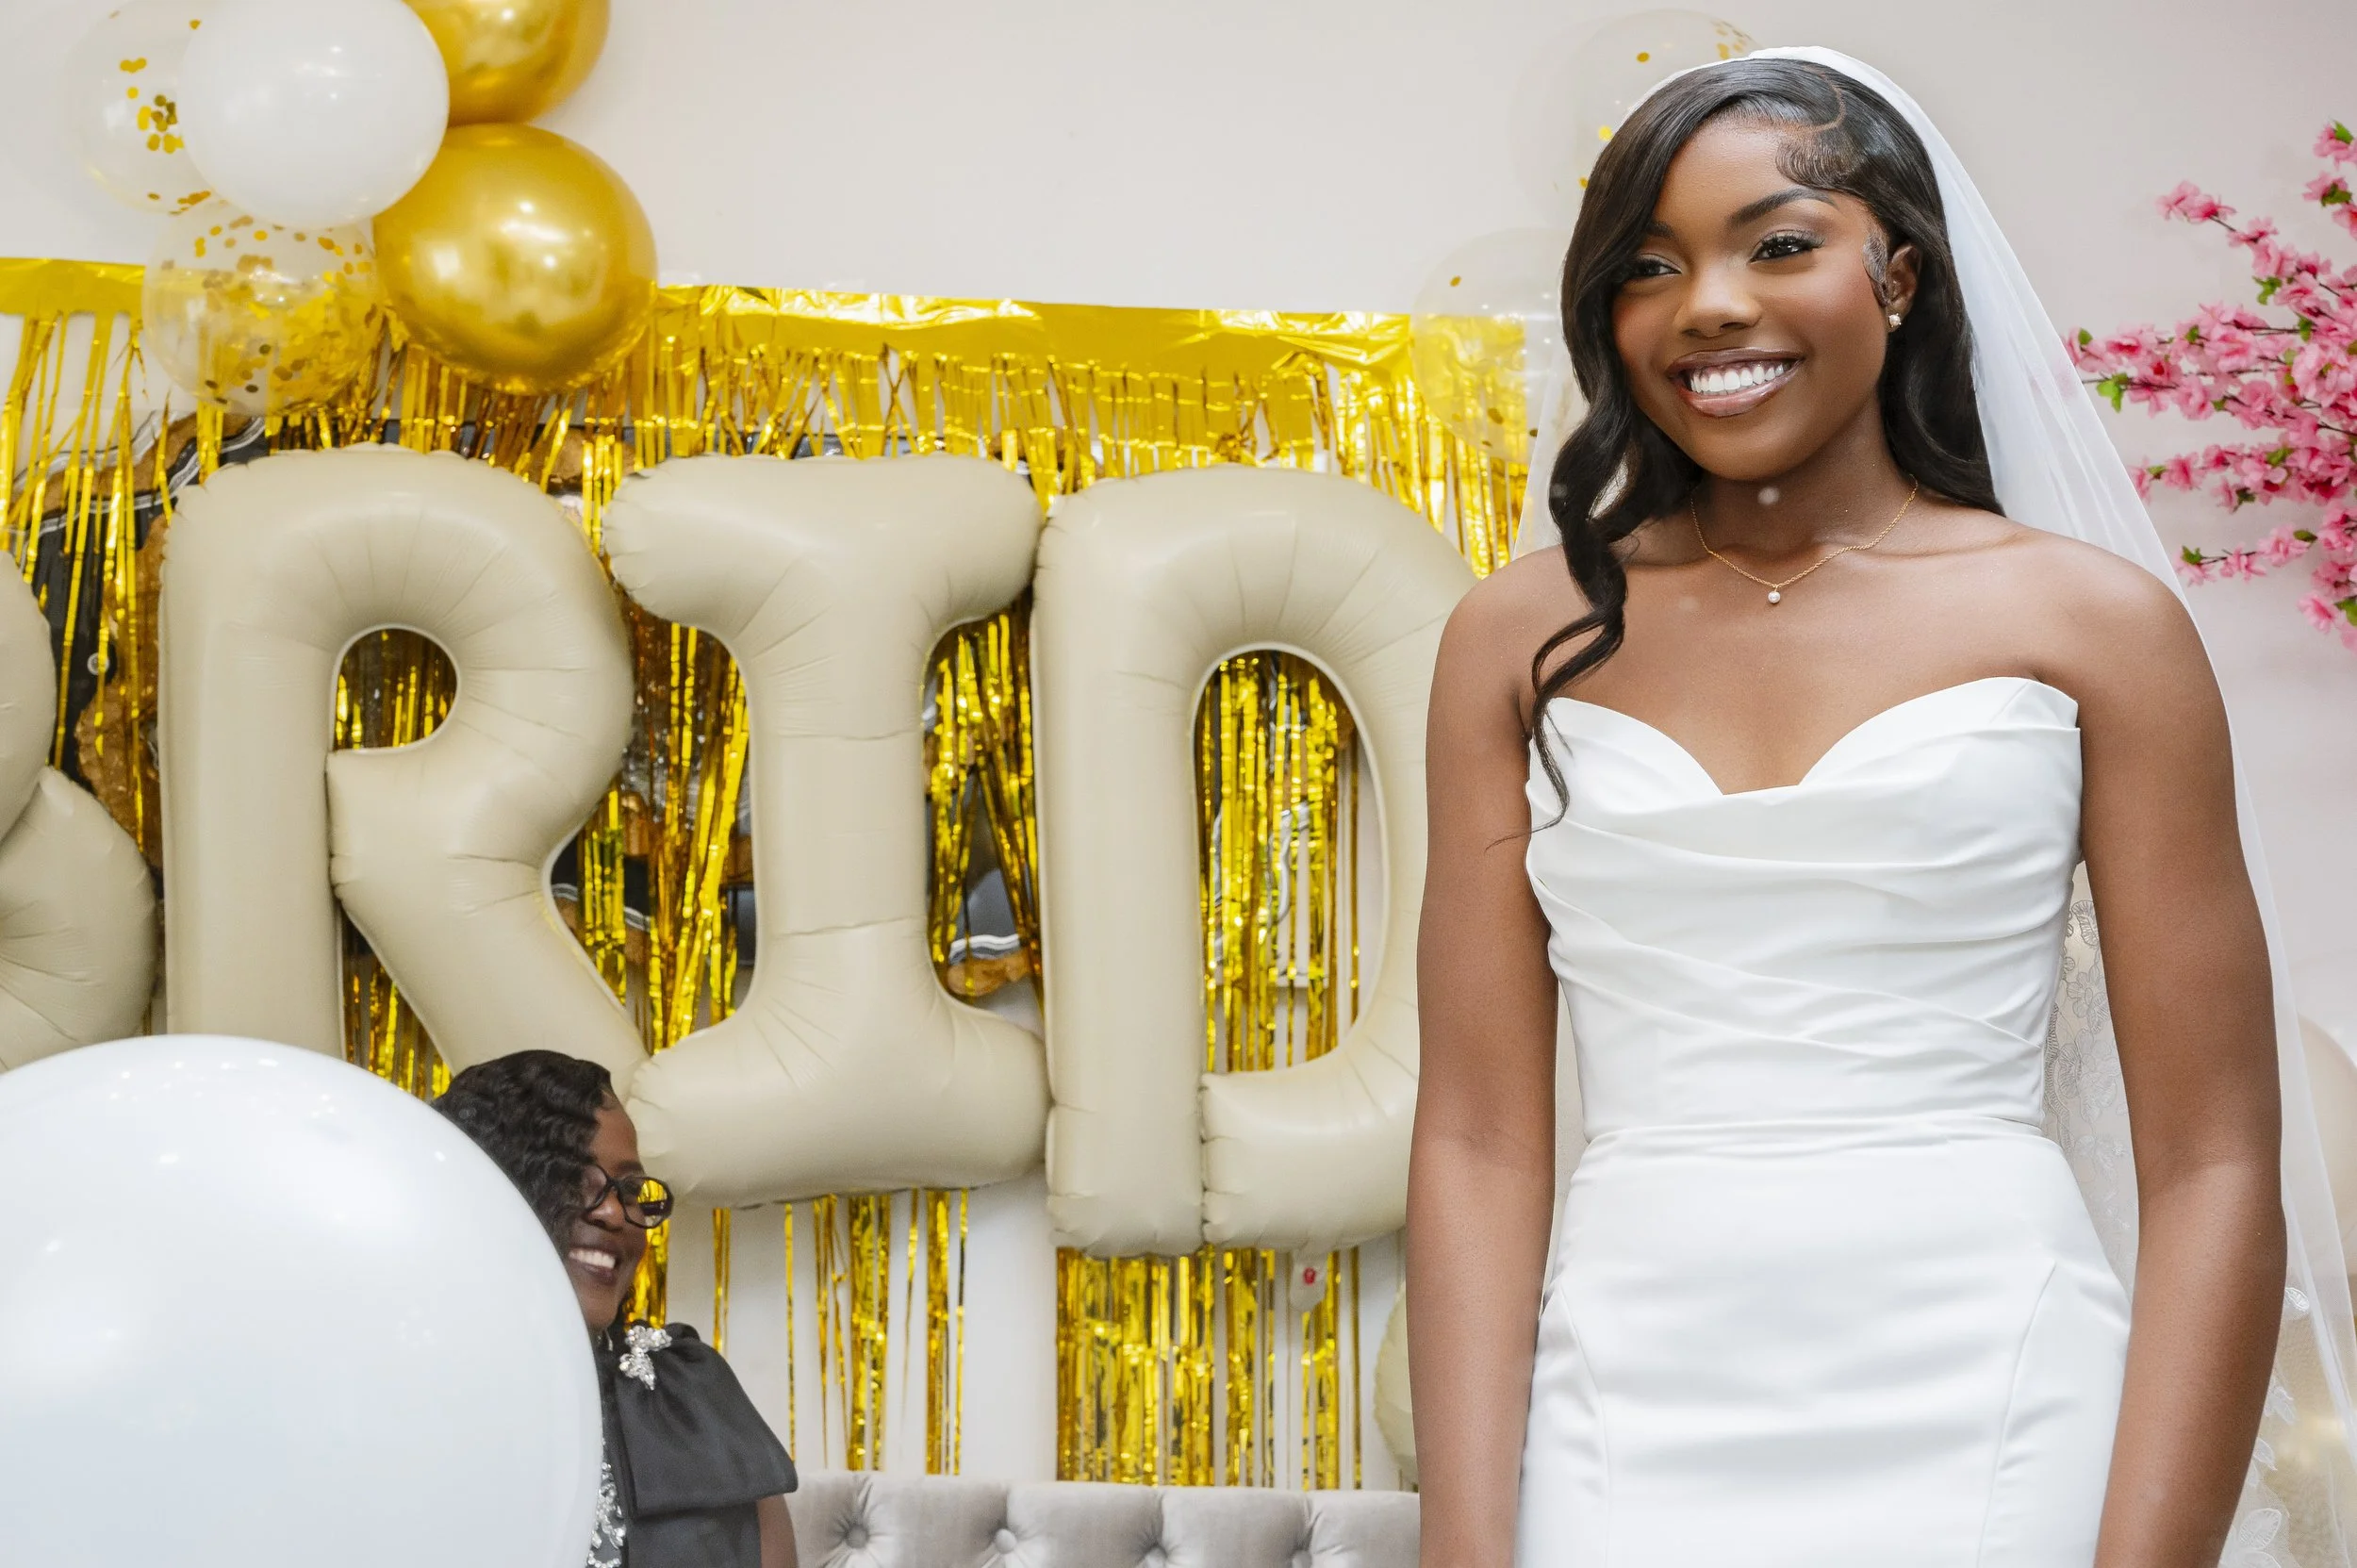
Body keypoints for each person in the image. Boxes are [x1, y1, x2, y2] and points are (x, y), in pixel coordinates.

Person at [1408, 48, 2357, 1568]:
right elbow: (1474, 1141)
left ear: (1901, 273)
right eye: (1650, 266)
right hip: (1626, 1405)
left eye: (1778, 242)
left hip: (1997, 1389)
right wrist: (1467, 1547)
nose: (1709, 303)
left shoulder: (2094, 622)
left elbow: (2216, 1162)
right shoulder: (1515, 638)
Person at [436, 1050, 799, 1568]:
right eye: (567, 1180)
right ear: (489, 1193)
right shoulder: (412, 1400)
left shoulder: (688, 1396)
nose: (611, 1211)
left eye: (628, 1189)